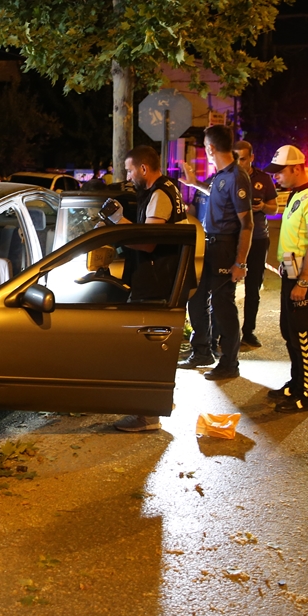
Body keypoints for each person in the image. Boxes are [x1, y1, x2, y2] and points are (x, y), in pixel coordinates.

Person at [115, 145, 187, 433]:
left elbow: (148, 243)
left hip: (156, 280)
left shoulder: (158, 196)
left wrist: (118, 226)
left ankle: (147, 416)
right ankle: (158, 402)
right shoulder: (169, 188)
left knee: (144, 348)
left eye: (130, 170)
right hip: (166, 278)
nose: (128, 175)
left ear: (144, 168)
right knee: (157, 348)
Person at [177, 125, 253, 381]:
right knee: (197, 297)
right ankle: (202, 351)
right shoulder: (221, 176)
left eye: (205, 147)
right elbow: (218, 195)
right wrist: (195, 184)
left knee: (222, 305)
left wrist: (240, 262)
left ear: (210, 148)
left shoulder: (236, 176)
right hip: (209, 244)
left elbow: (247, 224)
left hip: (224, 246)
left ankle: (229, 363)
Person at [265, 145, 308, 412]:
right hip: (291, 273)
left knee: (303, 335)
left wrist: (303, 282)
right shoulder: (295, 195)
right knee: (289, 331)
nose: (276, 177)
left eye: (280, 172)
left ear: (296, 168)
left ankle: (306, 393)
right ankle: (295, 383)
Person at [234, 140, 279, 349]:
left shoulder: (263, 179)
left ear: (251, 157)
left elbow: (274, 208)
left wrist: (262, 206)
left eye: (243, 158)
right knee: (227, 287)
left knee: (253, 287)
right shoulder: (229, 176)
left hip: (258, 238)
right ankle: (225, 332)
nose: (239, 162)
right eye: (236, 158)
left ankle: (248, 332)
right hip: (233, 238)